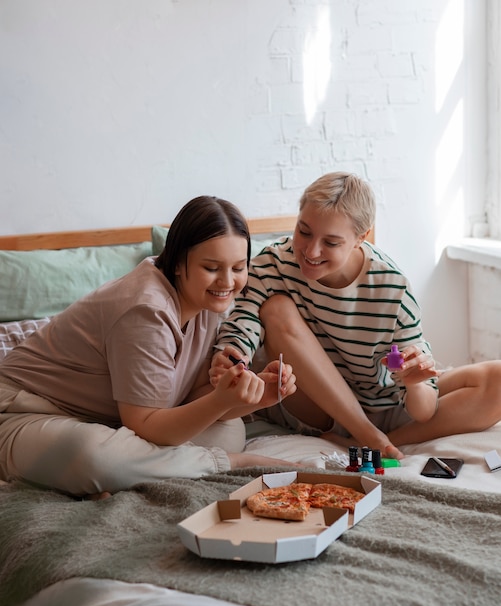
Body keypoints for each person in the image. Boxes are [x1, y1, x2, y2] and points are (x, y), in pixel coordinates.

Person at [0, 196, 297, 496]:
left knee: (229, 430)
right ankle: (228, 464)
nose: (227, 281)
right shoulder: (146, 310)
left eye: (238, 267)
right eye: (212, 267)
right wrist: (222, 403)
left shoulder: (208, 303)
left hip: (108, 420)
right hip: (24, 413)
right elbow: (146, 425)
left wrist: (254, 395)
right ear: (179, 263)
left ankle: (130, 471)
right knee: (94, 456)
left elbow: (192, 395)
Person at [211, 172, 501, 459]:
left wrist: (414, 383)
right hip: (318, 405)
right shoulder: (272, 264)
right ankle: (366, 434)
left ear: (360, 238)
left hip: (385, 402)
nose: (311, 251)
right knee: (276, 308)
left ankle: (385, 442)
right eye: (304, 231)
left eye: (331, 242)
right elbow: (243, 321)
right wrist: (233, 355)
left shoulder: (393, 289)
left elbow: (423, 411)